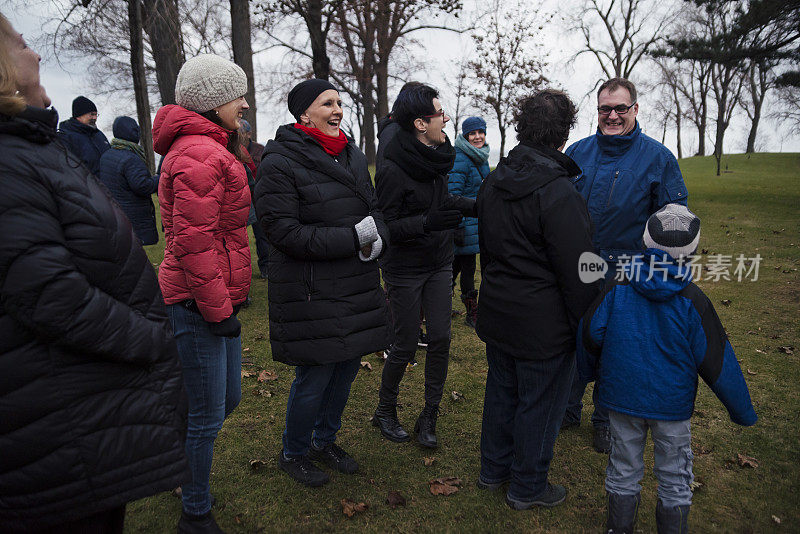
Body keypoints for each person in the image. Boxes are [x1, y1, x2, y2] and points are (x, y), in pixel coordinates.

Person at [0, 13, 186, 533]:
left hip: (77, 413)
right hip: (57, 425)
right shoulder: (10, 159)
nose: (36, 55)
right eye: (22, 43)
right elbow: (48, 293)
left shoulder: (33, 147)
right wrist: (151, 336)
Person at [575, 204, 757, 533]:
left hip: (621, 397)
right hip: (671, 406)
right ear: (693, 251)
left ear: (645, 242)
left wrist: (586, 373)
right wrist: (741, 409)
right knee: (674, 475)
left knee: (623, 468)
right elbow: (717, 358)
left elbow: (590, 333)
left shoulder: (618, 284)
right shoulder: (694, 299)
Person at [255, 79, 390, 488]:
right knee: (315, 375)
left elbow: (374, 210)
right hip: (310, 287)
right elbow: (283, 232)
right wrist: (353, 238)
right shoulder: (279, 162)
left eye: (339, 103)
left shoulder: (352, 154)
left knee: (347, 368)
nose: (337, 110)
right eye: (326, 103)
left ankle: (324, 441)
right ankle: (294, 452)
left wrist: (376, 235)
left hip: (355, 281)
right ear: (303, 113)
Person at [475, 89, 601, 510]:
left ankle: (495, 469)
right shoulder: (557, 193)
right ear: (563, 134)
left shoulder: (498, 181)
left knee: (505, 391)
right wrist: (586, 321)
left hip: (504, 310)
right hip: (538, 322)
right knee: (536, 402)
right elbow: (581, 269)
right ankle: (524, 484)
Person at [563, 77, 690, 454]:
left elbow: (673, 221)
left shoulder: (659, 158)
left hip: (627, 271)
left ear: (635, 109)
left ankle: (604, 419)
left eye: (620, 108)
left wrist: (659, 272)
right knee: (572, 336)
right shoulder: (577, 152)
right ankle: (567, 408)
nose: (613, 115)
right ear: (597, 111)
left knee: (614, 346)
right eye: (605, 108)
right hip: (579, 264)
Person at [153, 53, 252, 533]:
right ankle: (194, 510)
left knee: (223, 401)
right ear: (214, 102)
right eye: (238, 95)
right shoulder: (199, 154)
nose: (245, 103)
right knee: (208, 416)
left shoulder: (211, 147)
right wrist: (217, 311)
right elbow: (194, 243)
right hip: (197, 304)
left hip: (214, 301)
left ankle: (176, 461)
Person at [372, 83, 474, 449]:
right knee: (403, 344)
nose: (446, 117)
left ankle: (429, 414)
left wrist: (477, 205)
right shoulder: (392, 168)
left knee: (442, 338)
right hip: (405, 267)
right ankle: (384, 410)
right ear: (419, 123)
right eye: (438, 113)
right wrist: (428, 224)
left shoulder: (437, 156)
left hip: (440, 262)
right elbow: (386, 226)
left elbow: (443, 200)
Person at [448, 115, 490, 328]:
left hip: (475, 224)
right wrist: (458, 226)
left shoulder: (480, 157)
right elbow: (452, 195)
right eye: (472, 133)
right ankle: (471, 312)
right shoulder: (461, 159)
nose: (477, 137)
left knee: (455, 268)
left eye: (480, 132)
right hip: (463, 225)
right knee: (466, 268)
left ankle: (442, 306)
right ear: (465, 136)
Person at [96, 116, 160, 245]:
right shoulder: (130, 158)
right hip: (133, 215)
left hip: (115, 214)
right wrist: (160, 178)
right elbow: (143, 186)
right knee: (136, 253)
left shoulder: (107, 155)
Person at [240, 119, 269, 279]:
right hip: (240, 199)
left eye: (242, 133)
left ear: (249, 134)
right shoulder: (232, 150)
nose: (239, 136)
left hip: (258, 198)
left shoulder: (260, 150)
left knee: (262, 236)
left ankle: (266, 267)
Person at [57, 94, 110, 175]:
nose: (95, 118)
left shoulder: (99, 135)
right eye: (91, 114)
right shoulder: (66, 137)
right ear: (79, 115)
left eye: (96, 114)